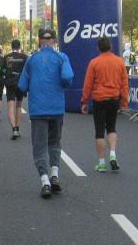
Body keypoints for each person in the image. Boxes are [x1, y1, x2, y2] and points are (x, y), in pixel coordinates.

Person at [18, 29, 74, 198]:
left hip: (38, 110)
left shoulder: (32, 59)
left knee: (40, 146)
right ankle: (54, 174)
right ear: (54, 41)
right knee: (55, 142)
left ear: (39, 41)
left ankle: (45, 182)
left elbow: (22, 86)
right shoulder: (62, 57)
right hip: (56, 108)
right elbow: (67, 77)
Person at [81, 37, 130, 173]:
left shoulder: (94, 63)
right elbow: (124, 84)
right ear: (111, 47)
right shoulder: (119, 62)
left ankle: (101, 163)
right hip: (114, 99)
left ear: (98, 48)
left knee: (99, 131)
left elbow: (88, 84)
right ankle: (112, 154)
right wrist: (124, 101)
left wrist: (84, 101)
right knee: (111, 128)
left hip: (99, 100)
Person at [4, 39, 28, 139]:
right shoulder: (25, 57)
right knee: (18, 106)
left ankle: (14, 129)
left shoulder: (7, 57)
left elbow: (3, 70)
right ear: (19, 46)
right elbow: (27, 71)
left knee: (10, 106)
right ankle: (17, 128)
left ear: (11, 46)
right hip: (21, 83)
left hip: (10, 84)